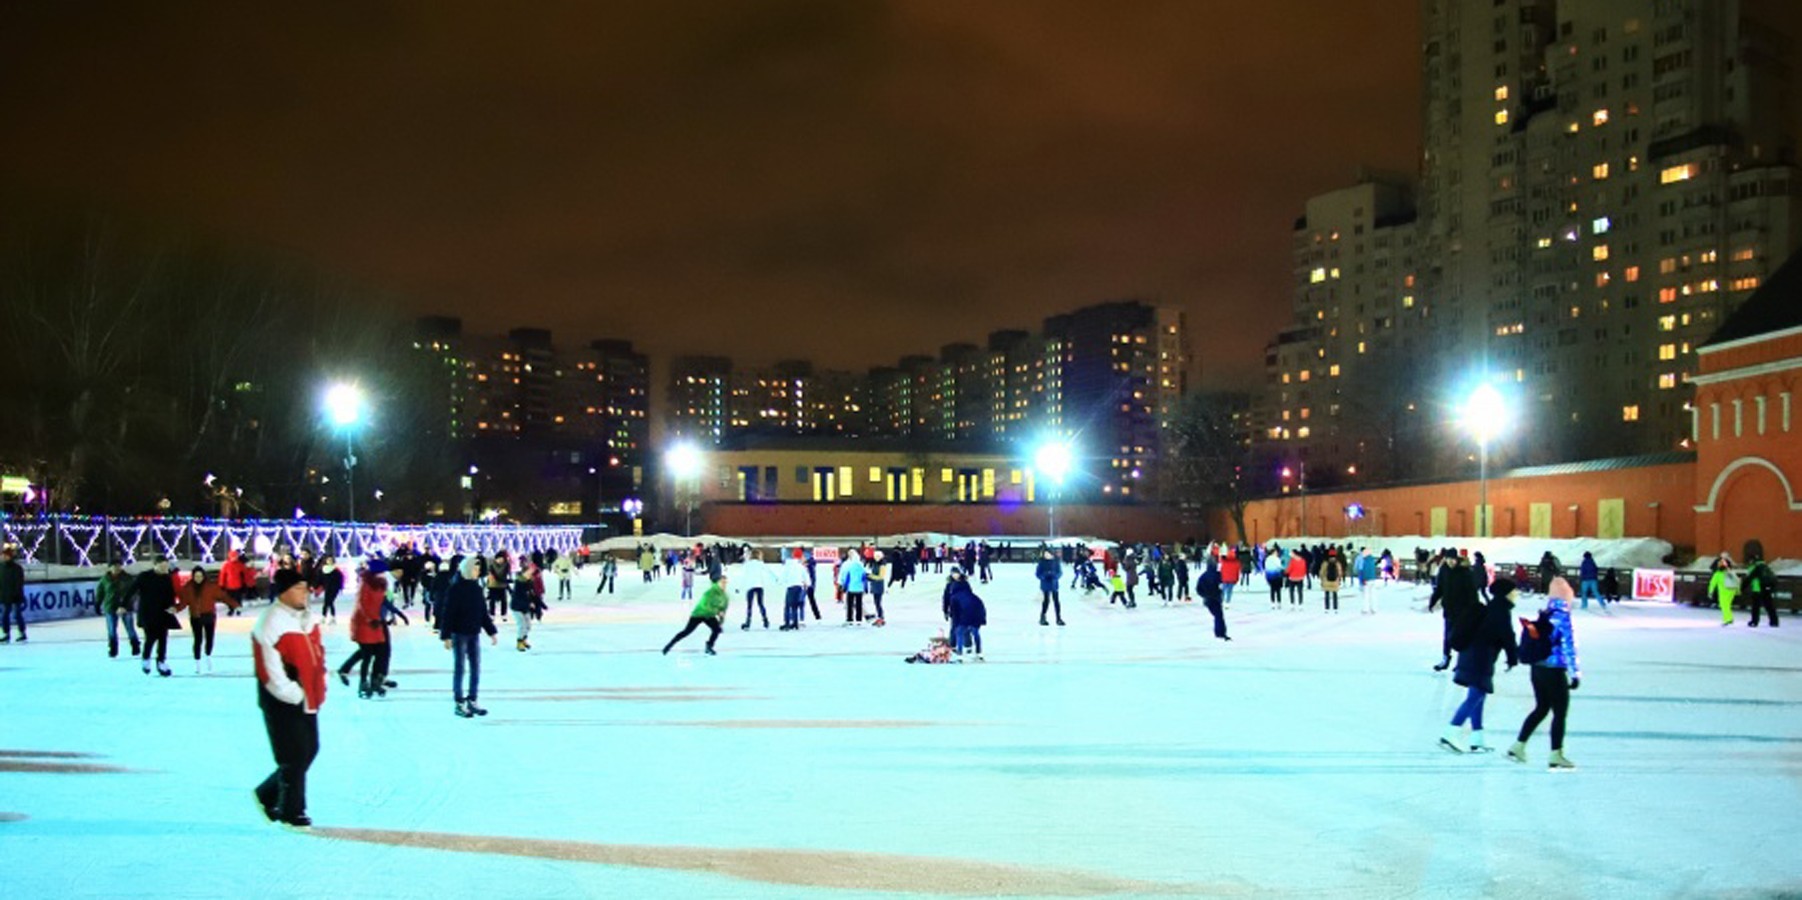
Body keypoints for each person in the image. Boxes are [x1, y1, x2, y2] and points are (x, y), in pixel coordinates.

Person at [253, 568, 327, 828]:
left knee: (309, 749)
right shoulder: (271, 621)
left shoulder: (307, 619)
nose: (305, 592)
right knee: (293, 755)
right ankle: (291, 811)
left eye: (306, 587)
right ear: (284, 592)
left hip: (308, 696)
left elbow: (318, 655)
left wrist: (319, 684)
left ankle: (267, 793)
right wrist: (293, 692)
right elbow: (268, 670)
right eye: (298, 588)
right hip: (281, 700)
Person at [1441, 578, 1520, 753]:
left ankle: (1477, 738)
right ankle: (1451, 731)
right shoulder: (1501, 611)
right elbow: (1508, 637)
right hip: (1480, 659)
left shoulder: (1491, 608)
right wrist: (1513, 658)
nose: (1517, 594)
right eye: (1514, 591)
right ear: (1505, 593)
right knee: (1475, 697)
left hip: (1471, 656)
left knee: (1478, 695)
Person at [1508, 577, 1581, 769]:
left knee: (1541, 708)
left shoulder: (1546, 614)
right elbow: (1568, 647)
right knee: (1560, 713)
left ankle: (1518, 745)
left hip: (1537, 669)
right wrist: (1575, 673)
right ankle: (1556, 754)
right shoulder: (1563, 617)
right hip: (1554, 670)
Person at [440, 557, 498, 718]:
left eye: (478, 569)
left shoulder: (477, 589)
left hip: (474, 633)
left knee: (475, 668)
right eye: (475, 568)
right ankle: (459, 702)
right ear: (467, 570)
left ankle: (472, 699)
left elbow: (483, 613)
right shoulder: (455, 589)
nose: (477, 571)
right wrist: (446, 635)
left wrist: (491, 631)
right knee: (460, 668)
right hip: (459, 634)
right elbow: (448, 613)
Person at [337, 568, 390, 697]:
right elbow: (362, 604)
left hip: (376, 622)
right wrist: (369, 619)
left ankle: (347, 670)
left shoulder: (382, 584)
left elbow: (383, 602)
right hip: (363, 623)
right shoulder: (366, 584)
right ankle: (363, 683)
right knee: (367, 654)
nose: (383, 574)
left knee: (375, 652)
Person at [175, 566, 239, 674]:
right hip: (196, 617)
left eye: (200, 576)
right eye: (196, 576)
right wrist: (175, 609)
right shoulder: (188, 588)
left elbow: (224, 597)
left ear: (204, 576)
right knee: (198, 639)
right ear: (193, 576)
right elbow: (183, 602)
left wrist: (235, 605)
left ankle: (208, 656)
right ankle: (197, 661)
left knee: (209, 638)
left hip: (209, 616)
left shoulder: (211, 587)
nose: (198, 578)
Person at [128, 557, 180, 676]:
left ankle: (161, 662)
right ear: (155, 565)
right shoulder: (144, 576)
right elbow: (131, 591)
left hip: (163, 613)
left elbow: (170, 594)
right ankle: (146, 658)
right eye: (162, 566)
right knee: (151, 637)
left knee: (163, 638)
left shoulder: (167, 578)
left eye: (166, 566)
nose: (164, 568)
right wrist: (123, 605)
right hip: (147, 613)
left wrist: (172, 606)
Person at [1429, 553, 1479, 672]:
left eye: (1453, 560)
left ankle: (1461, 662)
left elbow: (1472, 592)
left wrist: (1474, 608)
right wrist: (1433, 601)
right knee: (1448, 636)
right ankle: (1445, 659)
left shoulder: (1465, 572)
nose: (1451, 562)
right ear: (1445, 559)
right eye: (1449, 559)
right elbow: (1439, 588)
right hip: (1449, 610)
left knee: (1462, 637)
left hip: (1463, 611)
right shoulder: (1444, 571)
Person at [664, 574, 729, 656]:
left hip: (709, 616)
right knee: (686, 632)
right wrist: (717, 612)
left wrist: (720, 621)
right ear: (718, 583)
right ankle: (669, 645)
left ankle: (709, 646)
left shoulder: (725, 597)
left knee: (716, 630)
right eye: (722, 582)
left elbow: (723, 609)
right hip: (699, 614)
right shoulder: (710, 592)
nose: (724, 584)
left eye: (725, 583)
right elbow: (705, 605)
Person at [95, 561, 141, 658]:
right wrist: (98, 604)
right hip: (110, 606)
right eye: (114, 566)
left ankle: (135, 646)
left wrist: (131, 602)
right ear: (110, 568)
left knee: (130, 628)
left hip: (126, 606)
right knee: (112, 630)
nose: (116, 568)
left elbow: (134, 591)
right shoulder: (105, 579)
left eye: (118, 566)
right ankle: (113, 649)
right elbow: (100, 592)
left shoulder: (127, 578)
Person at [945, 570, 987, 660]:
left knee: (959, 631)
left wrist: (955, 622)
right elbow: (980, 606)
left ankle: (959, 653)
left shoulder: (954, 597)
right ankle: (979, 652)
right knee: (975, 632)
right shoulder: (970, 594)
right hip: (977, 614)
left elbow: (955, 612)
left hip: (966, 614)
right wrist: (983, 619)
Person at [1198, 557, 1230, 641]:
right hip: (1215, 599)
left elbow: (1198, 589)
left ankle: (1219, 632)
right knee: (1219, 616)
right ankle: (1220, 632)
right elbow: (1221, 586)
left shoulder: (1203, 576)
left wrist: (1204, 595)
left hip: (1208, 599)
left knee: (1217, 615)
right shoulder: (1217, 575)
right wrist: (1219, 593)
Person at [1744, 552, 1779, 628]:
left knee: (1755, 607)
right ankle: (1774, 621)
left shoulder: (1754, 567)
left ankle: (1754, 621)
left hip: (1757, 589)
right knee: (1769, 606)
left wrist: (1742, 588)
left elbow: (1749, 578)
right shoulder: (1765, 566)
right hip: (1766, 588)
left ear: (1752, 560)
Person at [739, 550, 772, 630]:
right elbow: (769, 572)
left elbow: (743, 576)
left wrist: (739, 588)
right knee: (761, 604)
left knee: (749, 605)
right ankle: (765, 621)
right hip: (759, 586)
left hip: (750, 586)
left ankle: (748, 622)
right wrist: (776, 579)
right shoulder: (761, 564)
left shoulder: (747, 565)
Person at [0, 544, 26, 642]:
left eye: (6, 555)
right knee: (4, 615)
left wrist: (17, 594)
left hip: (16, 596)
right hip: (4, 596)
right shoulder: (1, 568)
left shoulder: (17, 568)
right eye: (3, 555)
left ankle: (22, 632)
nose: (4, 557)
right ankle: (6, 633)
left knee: (17, 614)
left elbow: (19, 583)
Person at [781, 548, 810, 631]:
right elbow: (806, 578)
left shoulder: (788, 565)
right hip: (799, 587)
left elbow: (784, 575)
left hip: (790, 587)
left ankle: (787, 623)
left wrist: (780, 581)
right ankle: (795, 623)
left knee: (787, 606)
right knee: (795, 606)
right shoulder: (801, 566)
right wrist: (807, 584)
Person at [1707, 553, 1740, 627]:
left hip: (1724, 591)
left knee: (1724, 605)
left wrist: (1710, 592)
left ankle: (1727, 619)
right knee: (1727, 605)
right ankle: (1729, 618)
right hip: (1732, 590)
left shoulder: (1717, 574)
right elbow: (1737, 580)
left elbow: (1712, 584)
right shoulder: (1730, 572)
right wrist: (1738, 590)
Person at [220, 549, 255, 616]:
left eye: (236, 556)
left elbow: (245, 574)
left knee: (238, 598)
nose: (234, 558)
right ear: (230, 557)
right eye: (233, 557)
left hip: (238, 585)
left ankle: (238, 609)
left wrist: (246, 583)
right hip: (229, 586)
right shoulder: (226, 565)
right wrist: (222, 584)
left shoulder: (240, 565)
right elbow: (222, 575)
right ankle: (231, 609)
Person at [1035, 549, 1065, 626]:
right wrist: (1044, 576)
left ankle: (1058, 618)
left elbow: (1059, 572)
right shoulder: (1042, 563)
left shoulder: (1055, 562)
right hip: (1045, 584)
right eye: (1045, 554)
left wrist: (1054, 576)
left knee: (1056, 601)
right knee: (1046, 601)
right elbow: (1038, 573)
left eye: (1047, 554)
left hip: (1054, 584)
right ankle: (1042, 617)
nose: (1046, 555)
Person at [316, 557, 345, 625]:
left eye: (331, 560)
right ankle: (325, 617)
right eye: (328, 560)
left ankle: (330, 618)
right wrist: (317, 587)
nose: (330, 561)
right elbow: (320, 579)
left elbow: (340, 579)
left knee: (330, 602)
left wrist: (340, 587)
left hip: (334, 589)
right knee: (327, 602)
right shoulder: (323, 570)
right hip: (327, 588)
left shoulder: (336, 570)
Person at [866, 551, 889, 627]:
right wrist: (869, 576)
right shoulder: (875, 563)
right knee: (876, 603)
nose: (876, 558)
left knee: (878, 603)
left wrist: (870, 576)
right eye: (876, 556)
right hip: (874, 585)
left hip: (879, 585)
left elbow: (881, 576)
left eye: (878, 556)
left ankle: (881, 618)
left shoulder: (882, 565)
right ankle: (879, 617)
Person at [1356, 548, 1380, 614]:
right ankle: (1374, 608)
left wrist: (1364, 578)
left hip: (1367, 579)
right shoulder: (1372, 560)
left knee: (1366, 595)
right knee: (1373, 595)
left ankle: (1365, 609)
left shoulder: (1365, 561)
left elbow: (1365, 570)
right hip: (1373, 579)